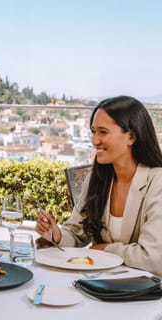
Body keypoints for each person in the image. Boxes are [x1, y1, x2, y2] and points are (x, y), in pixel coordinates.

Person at [35, 95, 162, 277]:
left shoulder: (157, 182)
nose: (95, 140)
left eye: (103, 132)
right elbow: (76, 233)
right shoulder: (96, 180)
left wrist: (106, 250)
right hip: (101, 284)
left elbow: (154, 258)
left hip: (148, 291)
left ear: (131, 136)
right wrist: (56, 235)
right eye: (93, 131)